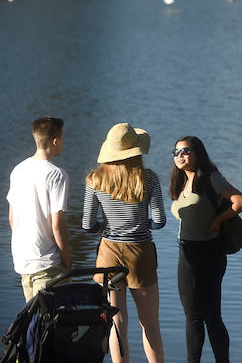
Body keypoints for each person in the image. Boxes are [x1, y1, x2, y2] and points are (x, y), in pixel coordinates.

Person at [82, 123, 166, 363]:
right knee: (149, 323)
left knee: (116, 322)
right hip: (141, 253)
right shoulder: (148, 178)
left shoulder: (94, 180)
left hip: (109, 253)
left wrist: (105, 228)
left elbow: (87, 224)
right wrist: (142, 223)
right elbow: (159, 221)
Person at [170, 135, 242, 363]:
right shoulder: (181, 181)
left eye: (185, 151)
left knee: (212, 315)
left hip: (209, 252)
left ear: (198, 153)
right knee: (192, 316)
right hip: (185, 253)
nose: (180, 156)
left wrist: (217, 221)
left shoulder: (211, 178)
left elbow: (241, 202)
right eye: (176, 152)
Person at [8, 117, 70, 300]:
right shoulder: (57, 175)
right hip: (48, 265)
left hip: (23, 262)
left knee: (35, 325)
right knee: (52, 326)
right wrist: (68, 265)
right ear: (55, 141)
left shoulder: (18, 170)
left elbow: (12, 219)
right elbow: (57, 224)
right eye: (63, 138)